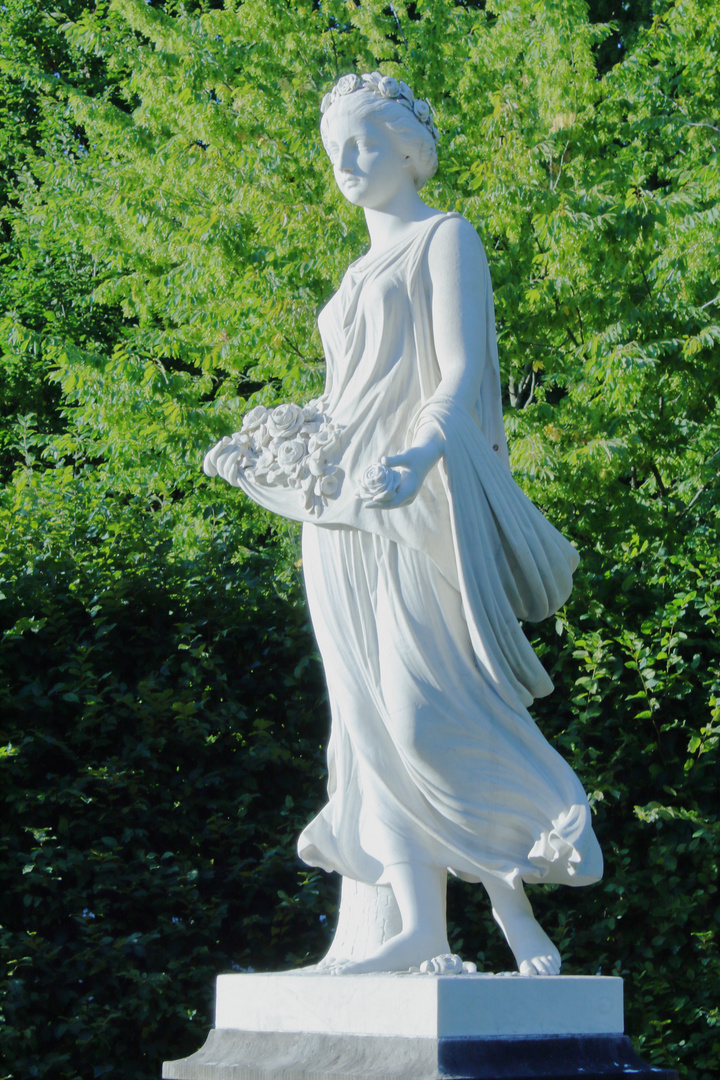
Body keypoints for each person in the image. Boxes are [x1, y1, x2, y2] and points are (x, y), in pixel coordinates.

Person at [204, 71, 603, 977]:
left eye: (365, 143)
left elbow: (457, 374)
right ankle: (416, 929)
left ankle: (533, 861)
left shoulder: (442, 238)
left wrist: (421, 455)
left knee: (428, 712)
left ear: (411, 152)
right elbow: (348, 396)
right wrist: (265, 440)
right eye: (335, 147)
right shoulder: (351, 274)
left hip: (417, 505)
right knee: (366, 722)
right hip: (338, 515)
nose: (346, 162)